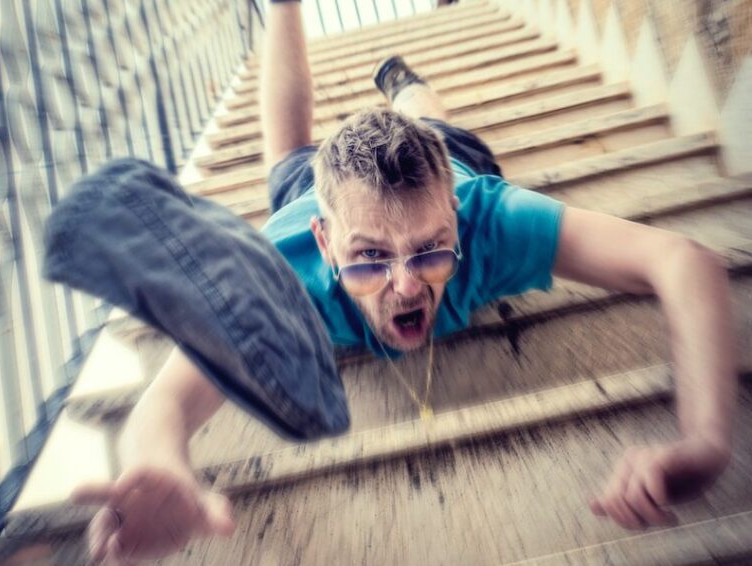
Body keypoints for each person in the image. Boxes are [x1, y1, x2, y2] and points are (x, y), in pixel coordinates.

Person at [71, 0, 738, 563]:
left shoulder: (489, 218)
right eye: (368, 259)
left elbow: (683, 261)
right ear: (326, 246)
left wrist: (706, 442)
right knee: (285, 164)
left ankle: (402, 81)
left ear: (455, 219)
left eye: (429, 252)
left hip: (447, 162)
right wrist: (160, 466)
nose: (405, 287)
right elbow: (164, 404)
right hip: (314, 191)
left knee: (432, 124)